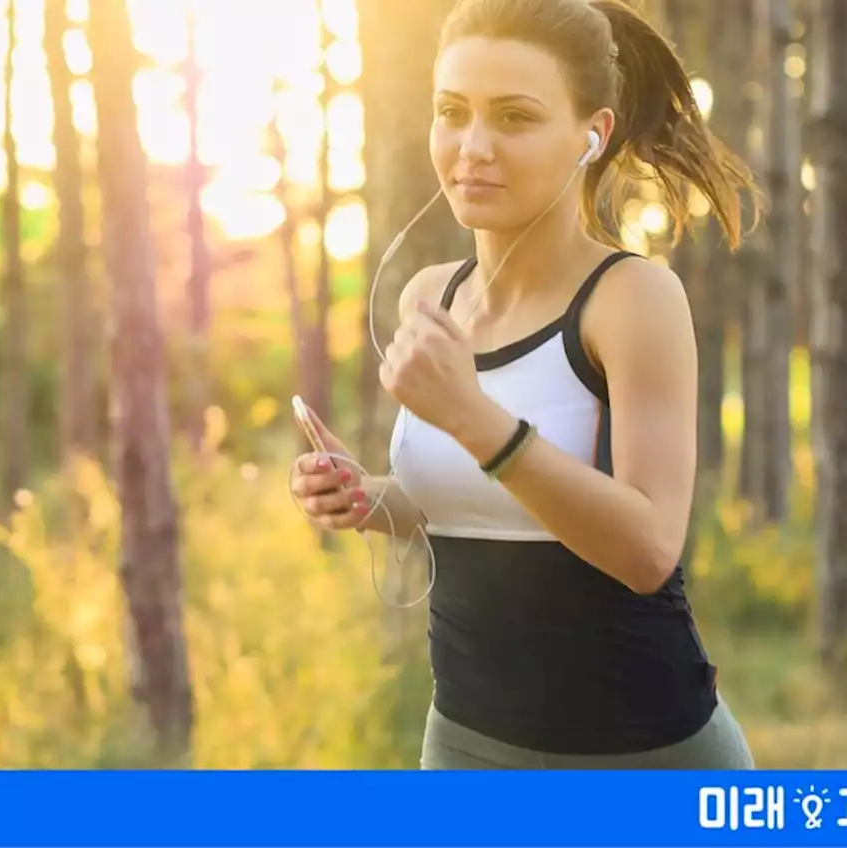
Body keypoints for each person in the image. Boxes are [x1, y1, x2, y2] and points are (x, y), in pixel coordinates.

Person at [289, 0, 760, 769]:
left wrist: (475, 419)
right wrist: (369, 498)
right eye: (453, 112)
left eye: (514, 117)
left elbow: (647, 548)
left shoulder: (631, 299)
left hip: (645, 758)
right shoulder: (430, 297)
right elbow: (479, 505)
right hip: (467, 746)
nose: (473, 147)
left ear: (592, 134)